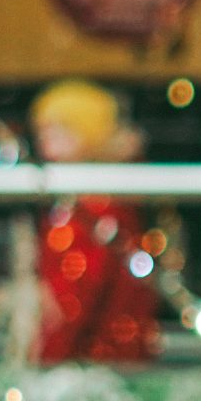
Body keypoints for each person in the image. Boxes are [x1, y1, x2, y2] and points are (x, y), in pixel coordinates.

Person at [24, 79, 162, 367]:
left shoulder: (92, 212)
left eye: (59, 130)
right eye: (43, 130)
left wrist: (45, 361)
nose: (45, 140)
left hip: (90, 362)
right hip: (108, 359)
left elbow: (73, 303)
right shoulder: (95, 202)